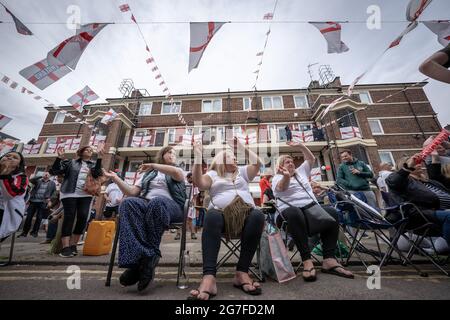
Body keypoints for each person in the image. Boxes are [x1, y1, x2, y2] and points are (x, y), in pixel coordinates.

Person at [189, 137, 265, 300]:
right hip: (221, 219)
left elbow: (258, 163)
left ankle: (241, 272)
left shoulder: (243, 172)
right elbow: (199, 183)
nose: (235, 158)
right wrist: (197, 156)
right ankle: (209, 277)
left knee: (258, 214)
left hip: (246, 219)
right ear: (221, 160)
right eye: (231, 156)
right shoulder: (213, 174)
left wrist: (242, 147)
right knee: (212, 214)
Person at [102, 146, 186, 292]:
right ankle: (143, 261)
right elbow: (132, 192)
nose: (173, 155)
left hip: (172, 206)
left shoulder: (177, 169)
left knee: (157, 202)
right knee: (128, 203)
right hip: (147, 203)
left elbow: (177, 174)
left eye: (174, 153)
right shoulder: (148, 174)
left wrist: (153, 165)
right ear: (162, 155)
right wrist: (115, 179)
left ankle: (142, 262)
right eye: (169, 152)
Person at [272, 141, 354, 281]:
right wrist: (286, 176)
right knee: (294, 212)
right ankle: (307, 261)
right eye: (287, 162)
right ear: (280, 166)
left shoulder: (301, 172)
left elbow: (311, 159)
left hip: (311, 210)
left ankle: (329, 259)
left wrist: (301, 146)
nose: (291, 163)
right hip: (288, 215)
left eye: (291, 161)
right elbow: (281, 189)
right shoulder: (277, 178)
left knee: (332, 213)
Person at [49, 145, 104, 258]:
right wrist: (59, 158)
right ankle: (65, 247)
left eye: (91, 150)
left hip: (86, 194)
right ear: (81, 152)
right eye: (87, 149)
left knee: (83, 217)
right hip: (69, 192)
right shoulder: (71, 162)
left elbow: (97, 174)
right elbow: (55, 171)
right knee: (69, 217)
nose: (89, 151)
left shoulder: (93, 164)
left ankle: (73, 245)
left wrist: (99, 158)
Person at [386, 153, 450, 246]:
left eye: (420, 162)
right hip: (421, 214)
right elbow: (393, 181)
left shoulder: (429, 182)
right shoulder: (405, 182)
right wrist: (408, 166)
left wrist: (435, 157)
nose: (419, 164)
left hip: (440, 211)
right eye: (415, 163)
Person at [0, 151, 29, 241]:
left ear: (18, 165)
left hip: (6, 213)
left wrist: (5, 172)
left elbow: (10, 194)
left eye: (15, 157)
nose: (9, 157)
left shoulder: (21, 178)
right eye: (7, 155)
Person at [18, 172, 56, 238]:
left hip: (43, 202)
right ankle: (24, 232)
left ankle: (34, 232)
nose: (46, 175)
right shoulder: (38, 181)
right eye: (45, 174)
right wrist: (40, 176)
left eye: (47, 174)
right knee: (29, 217)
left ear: (50, 176)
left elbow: (54, 193)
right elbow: (31, 180)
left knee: (39, 218)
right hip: (33, 201)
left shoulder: (52, 183)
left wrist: (50, 200)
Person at [175, 172, 197, 240]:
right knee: (180, 218)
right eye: (191, 178)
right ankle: (178, 234)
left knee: (190, 219)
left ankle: (193, 234)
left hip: (190, 203)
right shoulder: (182, 183)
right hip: (182, 202)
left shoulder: (194, 184)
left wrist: (193, 201)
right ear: (188, 177)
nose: (192, 179)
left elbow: (195, 195)